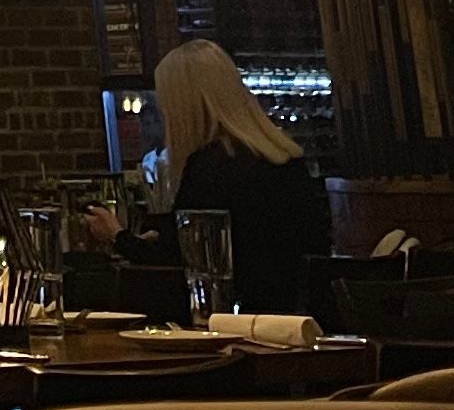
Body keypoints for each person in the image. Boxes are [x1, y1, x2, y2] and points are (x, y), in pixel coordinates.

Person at [133, 38, 333, 316]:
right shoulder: (284, 158)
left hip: (246, 325)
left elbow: (185, 260)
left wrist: (119, 238)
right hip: (301, 320)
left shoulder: (210, 167)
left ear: (184, 108)